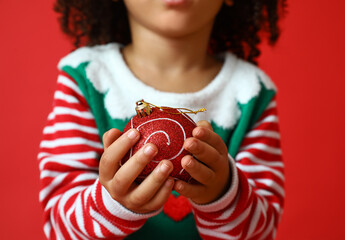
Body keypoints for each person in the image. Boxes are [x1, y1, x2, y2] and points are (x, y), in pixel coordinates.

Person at [38, 0, 286, 239]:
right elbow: (61, 227)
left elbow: (261, 232)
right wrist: (114, 204)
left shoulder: (252, 91)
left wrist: (223, 193)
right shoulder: (86, 78)